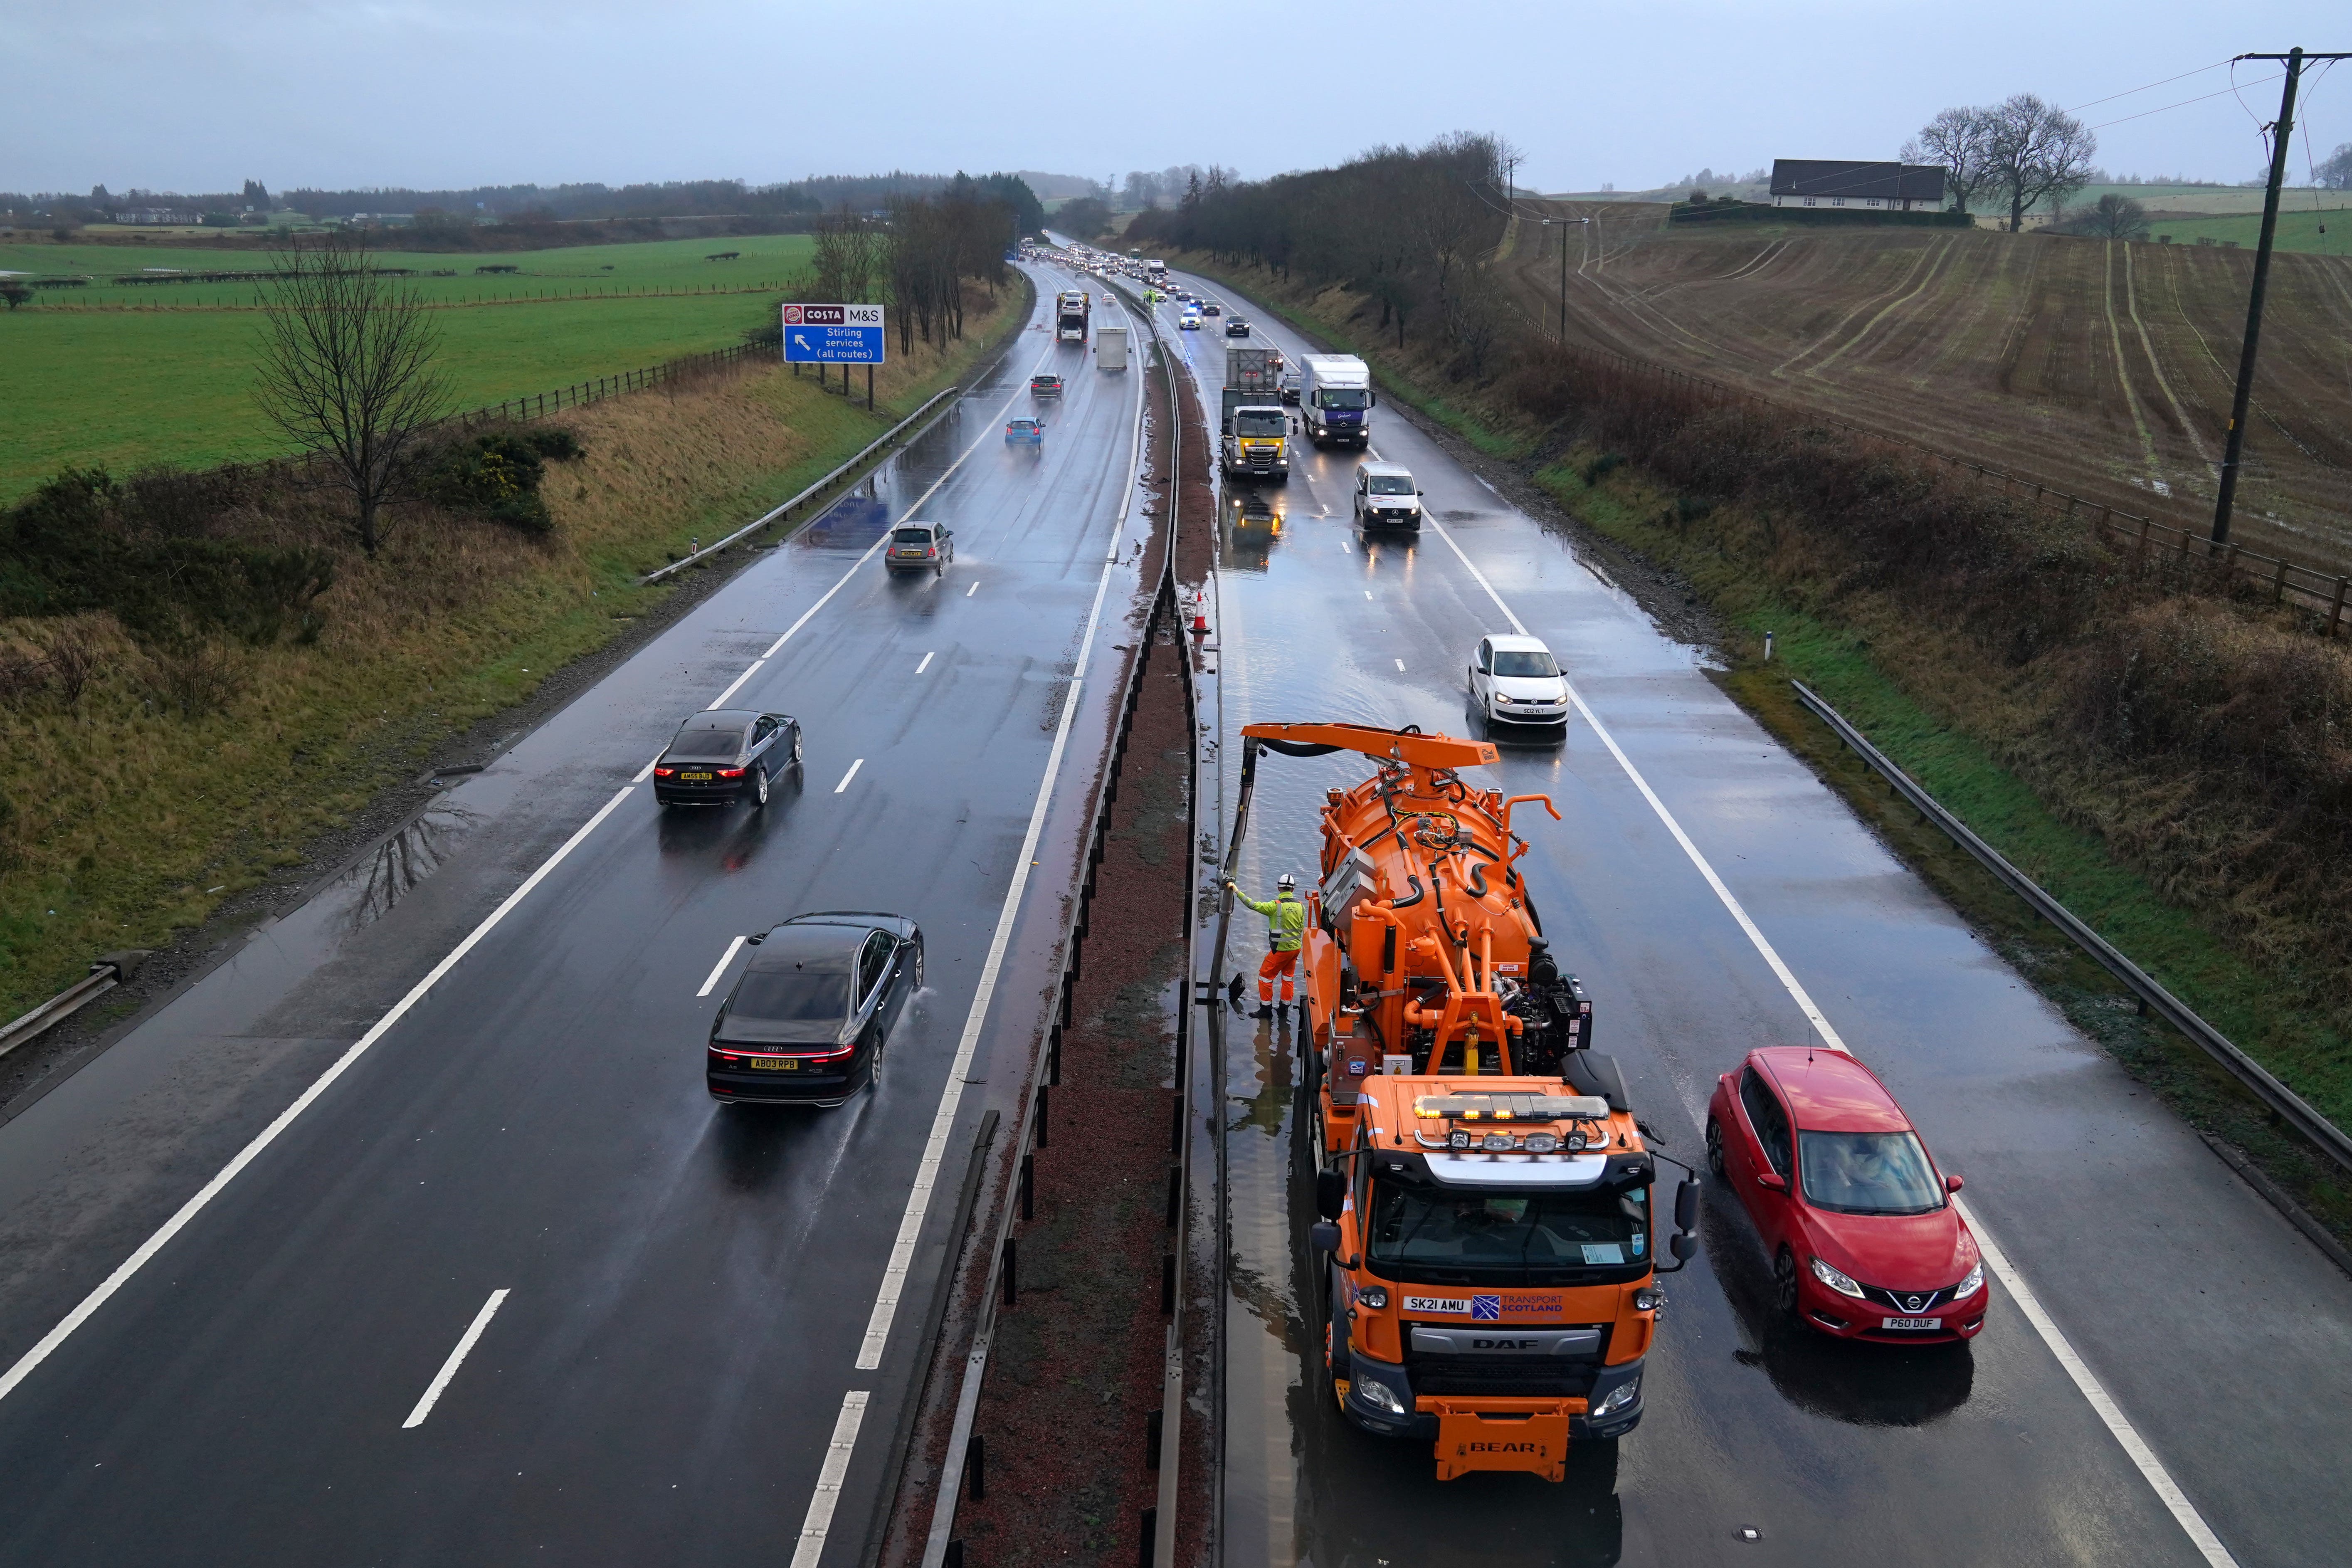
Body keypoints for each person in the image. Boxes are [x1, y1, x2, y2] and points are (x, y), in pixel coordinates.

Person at [1227, 872, 1306, 1020]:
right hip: (1296, 950)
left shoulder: (1274, 907)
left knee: (1265, 977)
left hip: (1280, 951)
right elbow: (1301, 927)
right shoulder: (1301, 906)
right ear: (1293, 890)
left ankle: (1265, 1010)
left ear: (1279, 888)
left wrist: (1236, 891)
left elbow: (1252, 905)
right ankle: (1284, 1010)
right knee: (1288, 979)